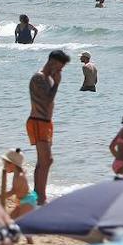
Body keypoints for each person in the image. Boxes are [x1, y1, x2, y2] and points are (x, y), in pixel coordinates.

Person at [27, 49, 70, 204]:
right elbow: (46, 101)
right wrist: (57, 84)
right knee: (46, 160)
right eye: (59, 68)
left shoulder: (47, 79)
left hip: (45, 123)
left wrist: (54, 82)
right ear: (52, 63)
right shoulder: (39, 78)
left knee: (43, 161)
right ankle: (40, 196)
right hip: (38, 121)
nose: (59, 71)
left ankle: (38, 195)